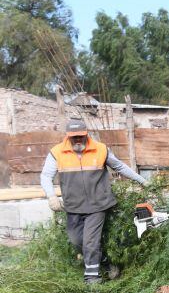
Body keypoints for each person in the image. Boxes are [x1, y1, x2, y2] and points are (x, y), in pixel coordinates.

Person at [41, 119, 149, 283]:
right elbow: (46, 176)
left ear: (86, 134)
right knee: (76, 241)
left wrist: (143, 181)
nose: (77, 140)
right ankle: (105, 262)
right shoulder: (57, 152)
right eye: (74, 137)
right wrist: (51, 196)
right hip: (73, 206)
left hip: (98, 204)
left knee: (91, 241)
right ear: (68, 136)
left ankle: (92, 278)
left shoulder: (100, 149)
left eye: (80, 136)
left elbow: (119, 167)